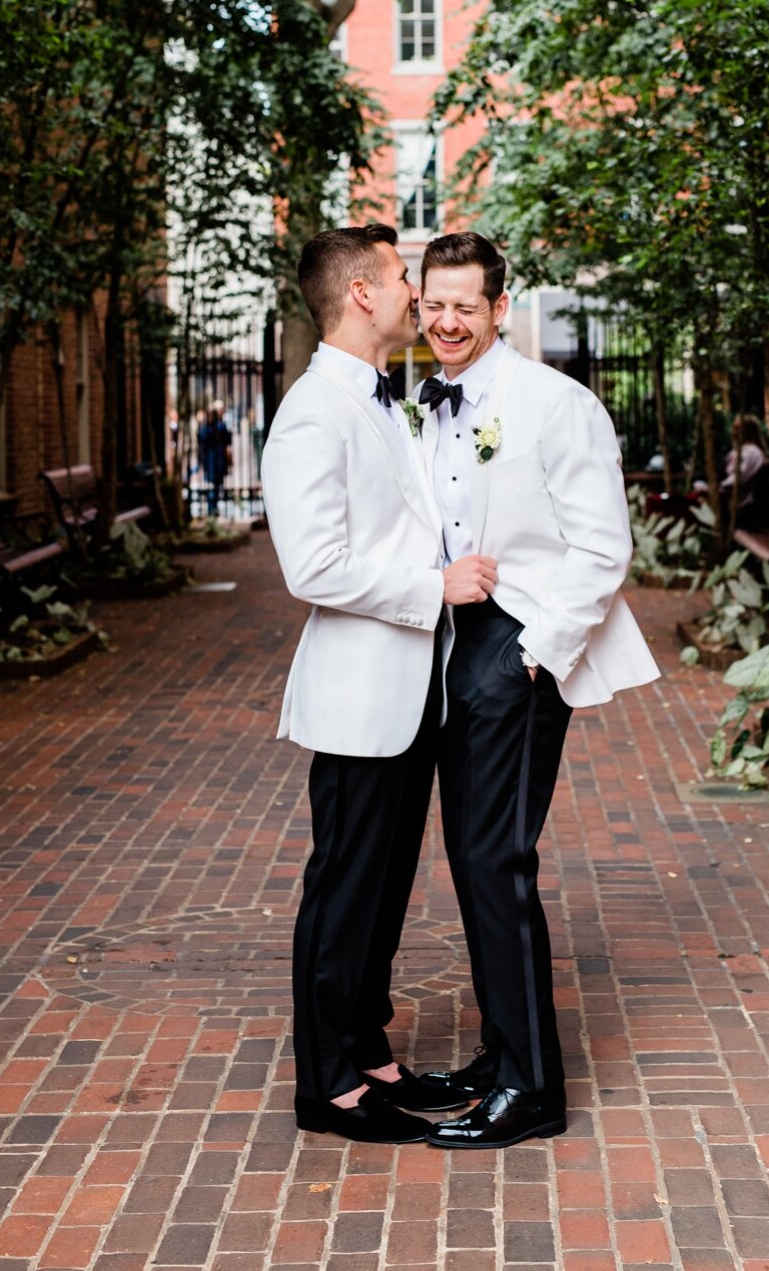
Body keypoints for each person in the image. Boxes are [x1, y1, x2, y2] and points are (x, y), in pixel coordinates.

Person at [411, 231, 659, 1148]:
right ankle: (503, 1052)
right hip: (449, 645)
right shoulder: (429, 404)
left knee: (496, 862)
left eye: (465, 306)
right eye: (435, 303)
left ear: (500, 309)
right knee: (472, 862)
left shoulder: (559, 406)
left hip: (518, 649)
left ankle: (532, 1091)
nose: (446, 320)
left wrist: (537, 653)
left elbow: (604, 548)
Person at [261, 226, 500, 1145]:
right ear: (362, 293)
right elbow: (310, 566)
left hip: (409, 699)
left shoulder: (380, 399)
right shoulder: (314, 410)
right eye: (403, 278)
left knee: (383, 891)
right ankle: (326, 1087)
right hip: (361, 700)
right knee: (345, 892)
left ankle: (370, 1057)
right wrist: (428, 589)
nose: (414, 293)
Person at [196, 404, 233, 518]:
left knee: (214, 485)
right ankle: (212, 508)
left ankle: (212, 508)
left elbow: (200, 439)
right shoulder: (219, 426)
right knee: (215, 486)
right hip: (215, 460)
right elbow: (228, 439)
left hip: (214, 460)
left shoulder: (208, 428)